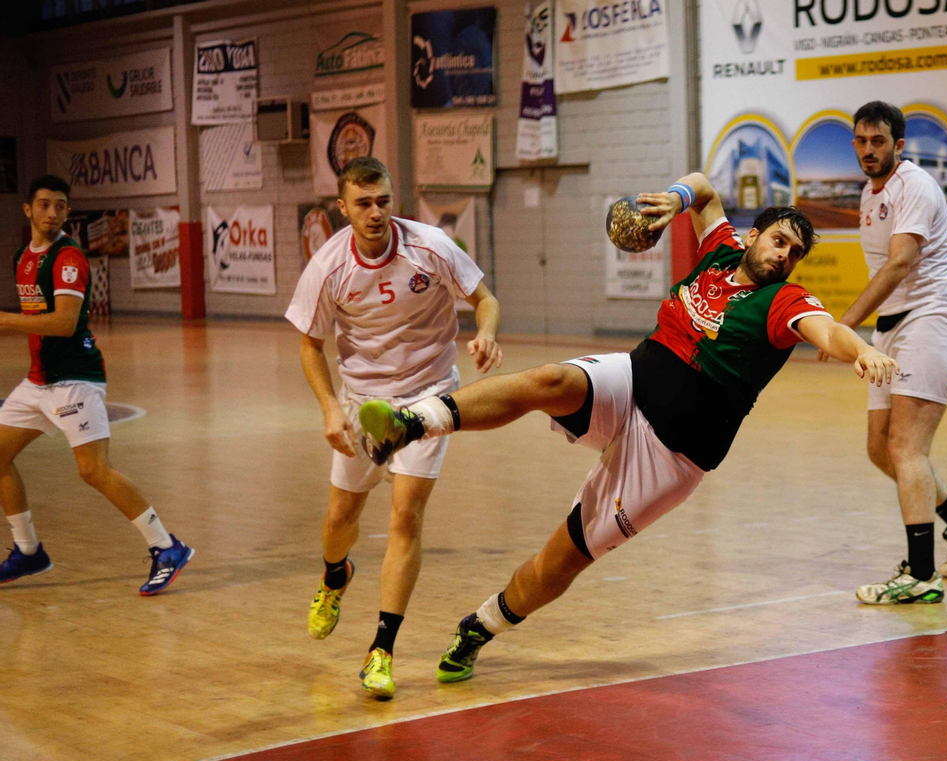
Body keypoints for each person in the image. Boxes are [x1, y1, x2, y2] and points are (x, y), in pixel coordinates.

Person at [355, 173, 898, 685]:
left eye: (795, 253)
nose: (785, 256)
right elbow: (706, 190)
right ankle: (411, 423)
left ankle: (481, 625)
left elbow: (826, 332)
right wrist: (677, 198)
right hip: (634, 379)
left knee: (559, 562)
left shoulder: (784, 301)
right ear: (754, 236)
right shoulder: (722, 250)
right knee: (548, 380)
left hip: (671, 456)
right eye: (779, 241)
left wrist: (863, 348)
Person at [286, 156, 503, 700]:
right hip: (364, 404)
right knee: (341, 515)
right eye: (363, 203)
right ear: (343, 208)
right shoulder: (329, 266)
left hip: (429, 398)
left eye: (383, 200)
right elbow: (310, 345)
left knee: (406, 514)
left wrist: (487, 333)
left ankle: (381, 649)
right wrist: (331, 409)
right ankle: (336, 576)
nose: (376, 212)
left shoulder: (430, 245)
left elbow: (485, 299)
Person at [829, 100, 947, 605]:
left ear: (898, 145)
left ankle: (922, 575)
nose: (868, 150)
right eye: (860, 141)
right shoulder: (868, 192)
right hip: (892, 331)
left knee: (906, 448)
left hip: (930, 322)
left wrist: (845, 325)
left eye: (878, 141)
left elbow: (900, 264)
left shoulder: (915, 186)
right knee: (881, 450)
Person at [0, 174, 194, 593]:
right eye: (45, 204)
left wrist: (3, 320)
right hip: (38, 383)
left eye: (60, 206)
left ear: (67, 212)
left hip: (75, 380)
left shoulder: (69, 257)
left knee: (93, 471)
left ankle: (167, 546)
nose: (52, 213)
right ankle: (28, 551)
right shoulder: (22, 256)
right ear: (28, 209)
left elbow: (65, 322)